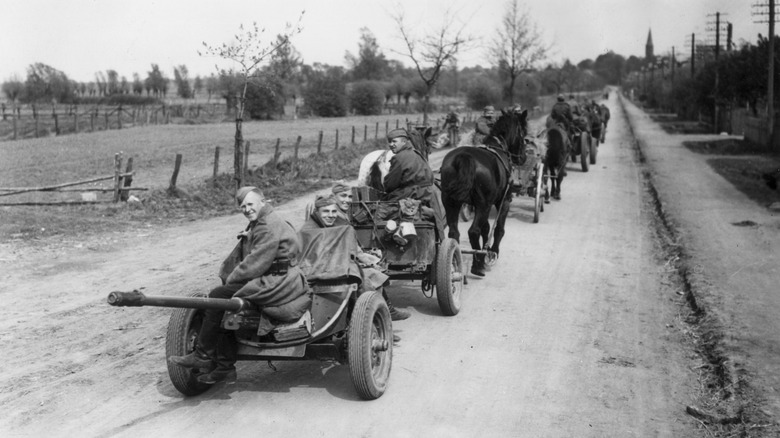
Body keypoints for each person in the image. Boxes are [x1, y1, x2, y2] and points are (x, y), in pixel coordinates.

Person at [168, 186, 308, 384]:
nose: (247, 209)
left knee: (219, 295)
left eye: (250, 204)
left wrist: (231, 279)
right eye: (242, 206)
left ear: (263, 201)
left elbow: (255, 264)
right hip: (280, 277)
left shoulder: (266, 225)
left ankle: (204, 354)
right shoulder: (265, 221)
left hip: (278, 282)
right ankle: (224, 367)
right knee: (226, 306)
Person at [303, 194, 410, 321]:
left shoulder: (330, 225)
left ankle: (382, 316)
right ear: (316, 212)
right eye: (326, 211)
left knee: (374, 274)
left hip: (333, 269)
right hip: (321, 274)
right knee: (366, 280)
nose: (330, 215)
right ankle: (372, 323)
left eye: (333, 211)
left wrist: (364, 258)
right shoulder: (309, 230)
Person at [383, 128, 446, 240]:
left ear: (404, 141)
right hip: (428, 193)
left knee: (383, 208)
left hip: (412, 193)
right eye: (390, 142)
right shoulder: (417, 154)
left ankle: (392, 234)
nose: (391, 145)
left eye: (394, 141)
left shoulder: (399, 157)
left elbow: (390, 184)